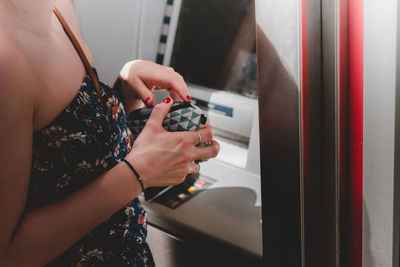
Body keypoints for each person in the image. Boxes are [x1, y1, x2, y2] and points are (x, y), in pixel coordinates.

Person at [0, 0, 219, 266]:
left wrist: (126, 88)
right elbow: (9, 255)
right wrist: (139, 173)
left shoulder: (57, 7)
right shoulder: (6, 60)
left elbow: (70, 160)